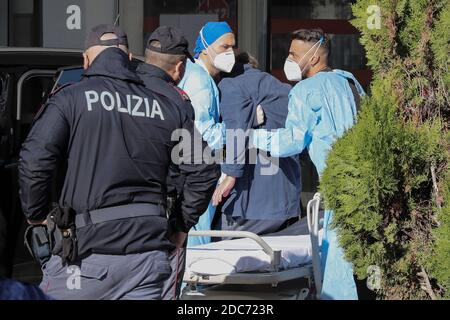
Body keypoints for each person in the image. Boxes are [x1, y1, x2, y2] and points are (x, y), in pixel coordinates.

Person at [18, 24, 218, 300]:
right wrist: (181, 227)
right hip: (148, 259)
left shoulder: (69, 98)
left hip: (85, 256)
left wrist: (36, 215)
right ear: (129, 57)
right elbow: (205, 169)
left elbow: (34, 159)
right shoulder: (168, 105)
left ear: (87, 59)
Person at [251, 29, 365, 300]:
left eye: (293, 54)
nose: (288, 59)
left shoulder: (305, 90)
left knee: (338, 278)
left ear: (313, 58)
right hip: (364, 184)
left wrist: (254, 135)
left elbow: (292, 141)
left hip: (339, 189)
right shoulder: (351, 83)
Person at [136, 26, 219, 300]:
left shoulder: (112, 94)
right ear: (179, 67)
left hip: (97, 230)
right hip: (157, 227)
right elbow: (205, 170)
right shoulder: (176, 102)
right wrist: (182, 226)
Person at [212, 52, 301, 236]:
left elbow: (236, 128)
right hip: (286, 202)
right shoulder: (284, 90)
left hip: (251, 203)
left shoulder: (231, 84)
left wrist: (231, 174)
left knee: (218, 250)